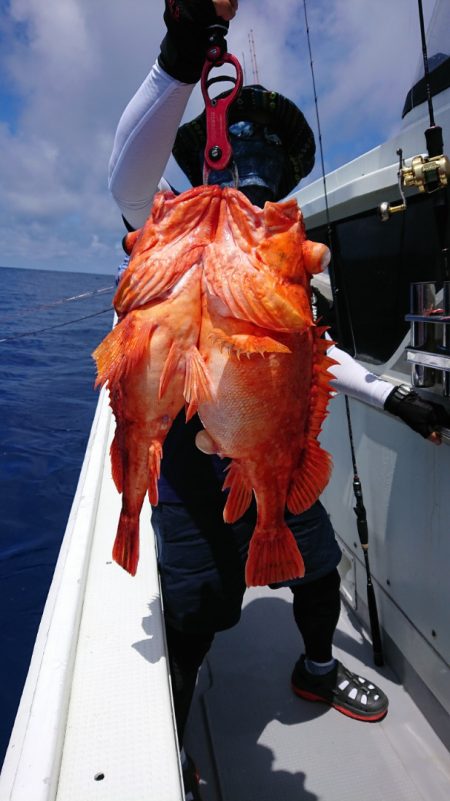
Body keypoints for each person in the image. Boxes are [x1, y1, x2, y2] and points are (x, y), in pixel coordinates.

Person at [108, 2, 450, 797]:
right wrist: (179, 54)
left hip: (272, 441)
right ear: (206, 158)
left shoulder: (290, 259)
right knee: (195, 605)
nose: (251, 161)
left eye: (267, 154)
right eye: (237, 144)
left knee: (320, 565)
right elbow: (127, 177)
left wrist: (394, 397)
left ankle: (317, 665)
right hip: (195, 466)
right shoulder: (175, 227)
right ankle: (178, 721)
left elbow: (312, 356)